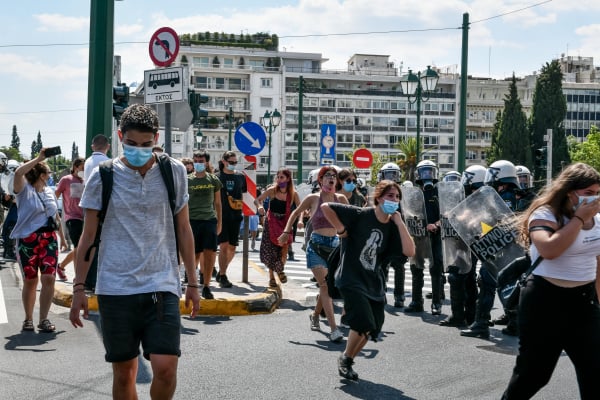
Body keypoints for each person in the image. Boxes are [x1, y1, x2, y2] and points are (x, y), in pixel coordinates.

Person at [69, 104, 200, 399]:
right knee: (125, 373)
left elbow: (184, 229)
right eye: (131, 144)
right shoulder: (102, 176)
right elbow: (88, 236)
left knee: (166, 368)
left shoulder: (173, 171)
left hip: (162, 284)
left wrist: (192, 282)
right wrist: (79, 288)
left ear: (156, 138)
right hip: (115, 288)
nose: (138, 150)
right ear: (119, 137)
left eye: (146, 144)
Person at [502, 162, 600, 399]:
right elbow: (549, 249)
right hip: (545, 301)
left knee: (595, 373)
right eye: (588, 193)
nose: (594, 199)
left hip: (584, 302)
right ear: (569, 192)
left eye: (597, 193)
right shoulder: (544, 214)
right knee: (534, 374)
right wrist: (578, 219)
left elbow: (599, 263)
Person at [321, 179, 415, 380]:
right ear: (379, 198)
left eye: (397, 197)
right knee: (363, 321)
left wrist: (399, 222)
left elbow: (409, 250)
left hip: (373, 283)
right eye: (390, 196)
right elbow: (326, 207)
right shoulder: (362, 215)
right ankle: (347, 358)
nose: (394, 200)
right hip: (350, 277)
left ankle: (347, 359)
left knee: (372, 327)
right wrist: (340, 230)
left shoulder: (393, 226)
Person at [280, 166, 348, 342]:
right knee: (325, 286)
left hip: (335, 246)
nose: (331, 178)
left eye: (334, 176)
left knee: (327, 287)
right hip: (316, 246)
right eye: (327, 176)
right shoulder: (313, 198)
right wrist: (287, 232)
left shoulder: (341, 199)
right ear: (320, 180)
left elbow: (352, 220)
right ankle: (334, 329)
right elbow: (295, 213)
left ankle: (316, 315)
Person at [461, 159, 520, 338]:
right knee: (508, 284)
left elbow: (502, 223)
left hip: (501, 249)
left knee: (487, 283)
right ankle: (515, 323)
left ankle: (481, 324)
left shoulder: (506, 197)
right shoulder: (511, 195)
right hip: (505, 249)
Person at [11, 150, 60, 332]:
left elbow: (55, 216)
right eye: (48, 172)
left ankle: (44, 319)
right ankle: (28, 319)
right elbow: (18, 173)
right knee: (31, 281)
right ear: (42, 175)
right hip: (27, 241)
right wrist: (39, 158)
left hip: (49, 239)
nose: (50, 175)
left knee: (49, 278)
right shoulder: (24, 190)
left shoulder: (49, 192)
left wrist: (62, 237)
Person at [439, 165, 485, 327]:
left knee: (466, 278)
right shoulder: (465, 198)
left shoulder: (484, 200)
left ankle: (468, 316)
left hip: (477, 244)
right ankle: (462, 315)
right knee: (462, 277)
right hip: (461, 243)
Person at [405, 160, 444, 316]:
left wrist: (435, 224)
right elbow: (409, 214)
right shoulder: (414, 194)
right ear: (418, 175)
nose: (427, 175)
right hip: (419, 236)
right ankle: (416, 301)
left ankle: (436, 303)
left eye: (430, 171)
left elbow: (447, 214)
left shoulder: (439, 192)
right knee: (416, 268)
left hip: (436, 235)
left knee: (436, 269)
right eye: (424, 172)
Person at [255, 168, 300, 287]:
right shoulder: (272, 191)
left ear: (288, 179)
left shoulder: (293, 194)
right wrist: (260, 207)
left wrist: (300, 221)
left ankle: (280, 270)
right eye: (278, 177)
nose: (279, 180)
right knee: (271, 251)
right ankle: (272, 278)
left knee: (283, 251)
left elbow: (301, 209)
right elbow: (258, 200)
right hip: (271, 223)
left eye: (282, 177)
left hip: (286, 224)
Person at [188, 150, 222, 300]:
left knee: (210, 253)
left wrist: (219, 222)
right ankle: (192, 282)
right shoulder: (187, 180)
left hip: (209, 220)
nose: (198, 163)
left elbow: (218, 203)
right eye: (196, 160)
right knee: (193, 254)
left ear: (206, 162)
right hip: (191, 220)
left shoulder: (213, 180)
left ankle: (207, 286)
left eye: (201, 161)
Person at [215, 151, 247, 288]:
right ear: (224, 161)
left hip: (236, 216)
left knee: (232, 248)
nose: (233, 164)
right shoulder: (216, 177)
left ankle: (222, 270)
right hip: (221, 216)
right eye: (231, 162)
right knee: (223, 246)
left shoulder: (240, 177)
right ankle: (222, 275)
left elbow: (244, 194)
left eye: (235, 162)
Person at [83, 134, 110, 291]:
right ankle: (93, 280)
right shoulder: (106, 163)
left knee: (89, 243)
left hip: (89, 207)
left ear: (93, 146)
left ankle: (88, 279)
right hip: (102, 209)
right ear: (108, 146)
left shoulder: (88, 162)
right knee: (99, 246)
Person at [54, 157, 86, 281]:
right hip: (72, 217)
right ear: (75, 167)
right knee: (78, 247)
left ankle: (61, 266)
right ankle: (78, 277)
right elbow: (55, 196)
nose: (83, 170)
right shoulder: (66, 180)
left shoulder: (85, 181)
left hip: (85, 218)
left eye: (85, 168)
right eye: (82, 167)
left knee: (81, 248)